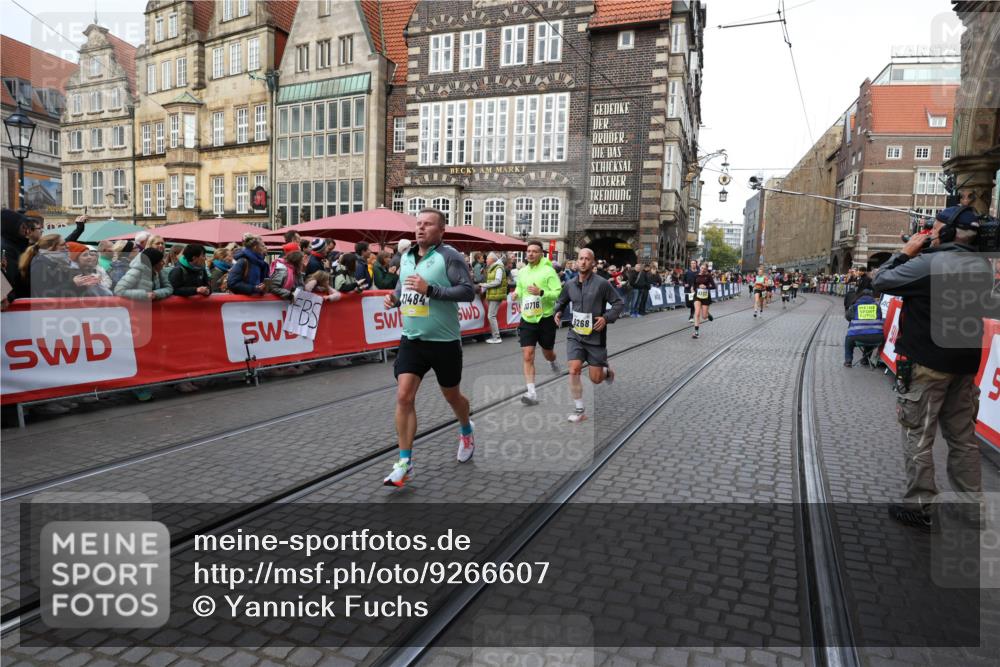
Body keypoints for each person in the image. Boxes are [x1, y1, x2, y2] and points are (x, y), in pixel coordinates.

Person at [872, 204, 992, 532]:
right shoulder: (982, 266)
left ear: (949, 232)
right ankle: (972, 510)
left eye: (935, 229)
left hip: (926, 366)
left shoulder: (929, 264)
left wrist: (905, 252)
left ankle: (920, 506)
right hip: (964, 365)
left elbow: (881, 281)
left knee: (918, 435)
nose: (930, 233)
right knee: (963, 439)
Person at [382, 208, 476, 487]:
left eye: (428, 224)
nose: (421, 228)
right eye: (418, 224)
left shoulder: (449, 256)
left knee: (452, 396)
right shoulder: (406, 257)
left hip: (444, 342)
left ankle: (466, 429)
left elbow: (467, 291)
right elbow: (404, 288)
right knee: (404, 396)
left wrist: (431, 290)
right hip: (412, 339)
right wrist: (395, 299)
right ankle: (405, 463)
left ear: (441, 230)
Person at [553, 248, 624, 422]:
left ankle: (606, 372)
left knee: (596, 379)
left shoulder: (602, 284)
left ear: (592, 263)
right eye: (581, 258)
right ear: (577, 261)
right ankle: (579, 410)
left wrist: (606, 318)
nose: (583, 262)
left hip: (595, 337)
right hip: (575, 334)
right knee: (574, 369)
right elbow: (561, 301)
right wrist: (558, 311)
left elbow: (618, 303)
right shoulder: (569, 284)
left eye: (587, 259)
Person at [515, 240, 563, 405]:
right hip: (527, 318)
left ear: (541, 253)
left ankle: (552, 361)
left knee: (548, 352)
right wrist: (516, 293)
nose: (530, 254)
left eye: (534, 251)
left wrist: (541, 292)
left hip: (545, 318)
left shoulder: (549, 271)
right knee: (528, 355)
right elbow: (519, 288)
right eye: (528, 251)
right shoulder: (522, 272)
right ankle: (531, 393)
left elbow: (558, 293)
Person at [843, 289, 884, 368]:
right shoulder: (877, 307)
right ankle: (865, 360)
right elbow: (880, 317)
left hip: (858, 337)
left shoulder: (855, 306)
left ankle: (848, 361)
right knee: (870, 335)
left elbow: (848, 317)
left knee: (848, 340)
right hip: (877, 338)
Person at [480, 251, 508, 343]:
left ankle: (496, 337)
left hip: (496, 294)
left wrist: (484, 285)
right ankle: (496, 336)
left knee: (491, 316)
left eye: (487, 259)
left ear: (492, 260)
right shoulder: (494, 267)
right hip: (494, 294)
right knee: (492, 315)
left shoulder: (498, 268)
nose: (486, 260)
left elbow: (497, 281)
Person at [690, 263, 716, 339]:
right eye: (702, 268)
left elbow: (714, 286)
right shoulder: (696, 275)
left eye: (704, 268)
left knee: (704, 317)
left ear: (706, 269)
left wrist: (706, 287)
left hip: (705, 297)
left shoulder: (709, 276)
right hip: (697, 296)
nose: (703, 269)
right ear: (700, 268)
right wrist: (693, 288)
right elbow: (694, 285)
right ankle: (696, 332)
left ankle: (707, 314)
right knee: (697, 313)